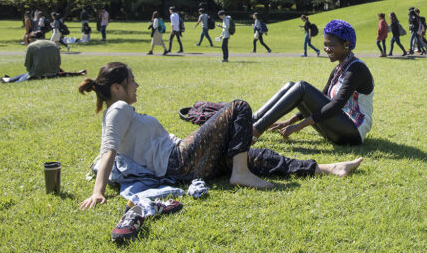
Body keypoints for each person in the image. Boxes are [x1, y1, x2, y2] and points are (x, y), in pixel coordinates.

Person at [77, 63, 362, 242]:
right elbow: (108, 151)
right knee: (238, 107)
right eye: (131, 80)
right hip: (178, 160)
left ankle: (327, 168)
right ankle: (240, 173)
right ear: (117, 87)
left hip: (181, 161)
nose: (137, 84)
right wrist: (98, 191)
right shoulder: (118, 109)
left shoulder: (121, 110)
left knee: (257, 155)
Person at [253, 19, 374, 145]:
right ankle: (254, 121)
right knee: (291, 86)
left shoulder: (356, 69)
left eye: (331, 45)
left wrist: (298, 126)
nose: (327, 49)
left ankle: (256, 130)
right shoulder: (339, 69)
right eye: (325, 45)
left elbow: (335, 105)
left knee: (302, 87)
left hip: (352, 132)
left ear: (346, 44)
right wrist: (289, 121)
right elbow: (322, 97)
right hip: (338, 128)